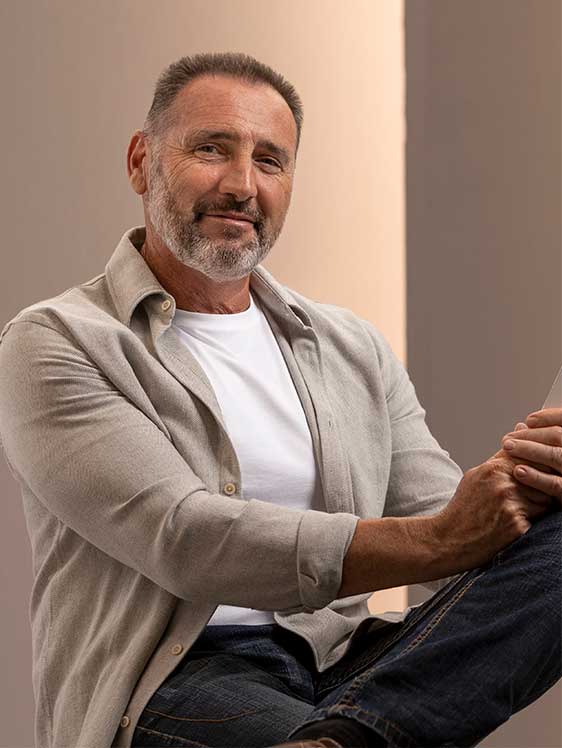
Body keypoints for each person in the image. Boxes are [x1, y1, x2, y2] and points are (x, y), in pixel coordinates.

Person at [0, 51, 559, 748]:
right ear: (142, 161)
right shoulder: (56, 341)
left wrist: (525, 485)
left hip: (347, 666)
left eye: (270, 161)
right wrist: (447, 536)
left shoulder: (350, 345)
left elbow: (448, 522)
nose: (242, 185)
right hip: (175, 681)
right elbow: (185, 539)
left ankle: (354, 737)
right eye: (211, 149)